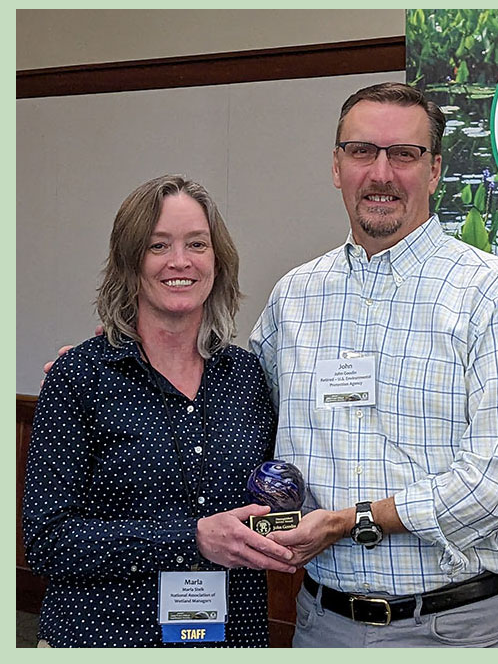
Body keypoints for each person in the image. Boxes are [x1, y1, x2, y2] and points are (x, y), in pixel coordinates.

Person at [249, 82, 498, 647]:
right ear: (337, 166)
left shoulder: (494, 295)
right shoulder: (294, 297)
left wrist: (351, 520)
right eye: (363, 151)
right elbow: (239, 406)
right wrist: (132, 351)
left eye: (405, 155)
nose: (382, 174)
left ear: (435, 170)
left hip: (453, 630)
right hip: (323, 627)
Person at [24, 175, 296, 648]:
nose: (180, 261)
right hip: (106, 639)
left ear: (218, 261)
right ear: (130, 262)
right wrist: (190, 539)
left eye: (197, 243)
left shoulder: (247, 378)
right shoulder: (79, 377)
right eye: (158, 245)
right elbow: (48, 540)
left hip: (232, 640)